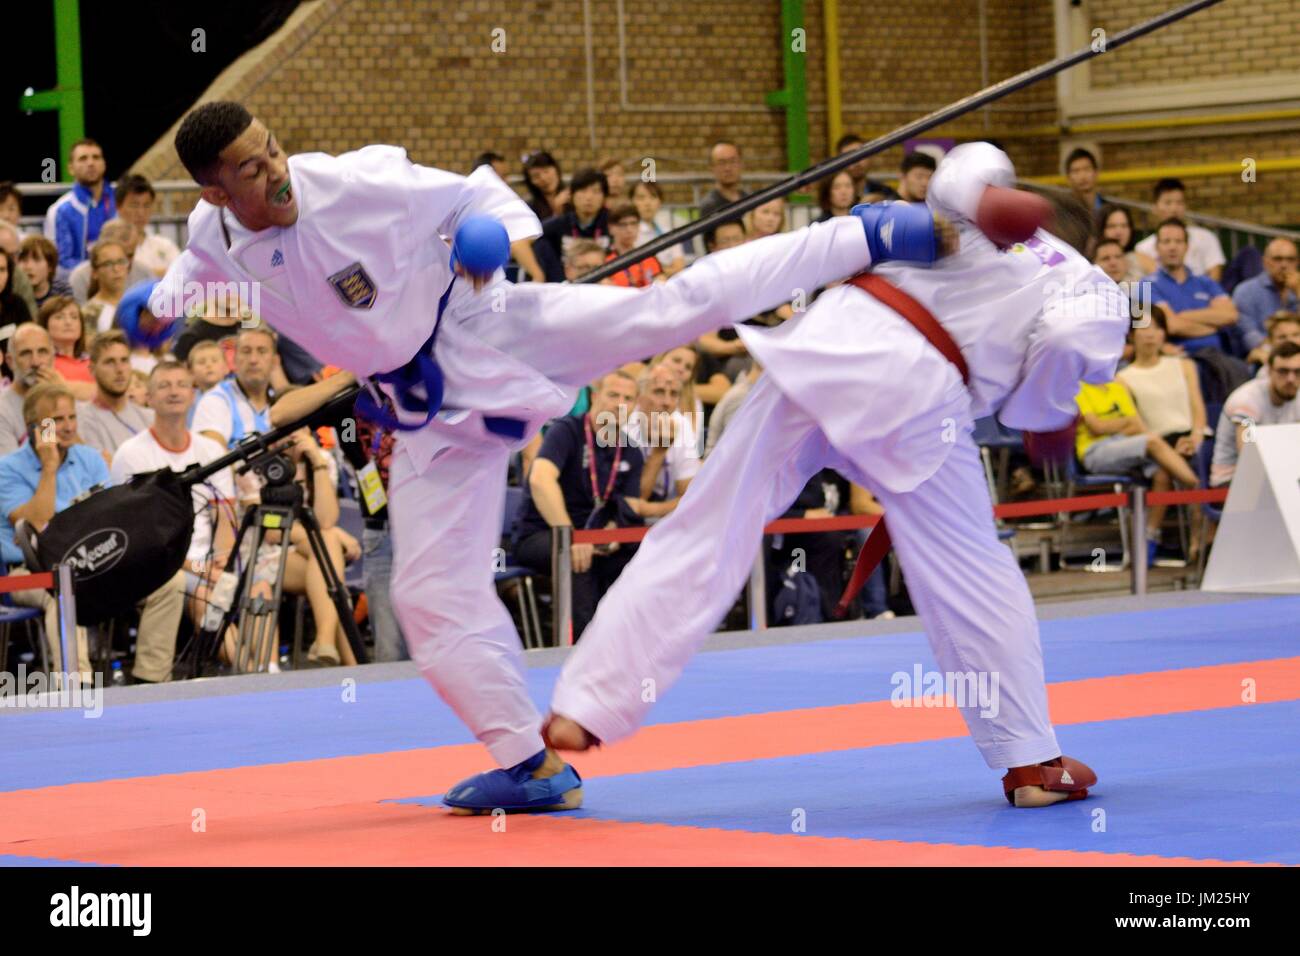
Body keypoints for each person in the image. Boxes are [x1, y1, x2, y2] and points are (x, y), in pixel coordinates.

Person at [147, 100, 896, 815]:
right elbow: (190, 275)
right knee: (429, 596)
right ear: (215, 191)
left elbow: (475, 198)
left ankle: (862, 238)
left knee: (663, 311)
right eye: (250, 168)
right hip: (427, 412)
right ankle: (531, 765)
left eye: (272, 146)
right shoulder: (214, 238)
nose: (275, 169)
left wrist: (489, 236)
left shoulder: (353, 181)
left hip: (485, 325)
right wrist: (158, 308)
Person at [545, 143, 1129, 810]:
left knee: (708, 524)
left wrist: (981, 193)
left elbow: (962, 167)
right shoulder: (1087, 280)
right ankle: (1030, 764)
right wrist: (1044, 411)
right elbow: (1065, 346)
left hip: (825, 345)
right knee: (976, 582)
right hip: (918, 398)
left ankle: (589, 702)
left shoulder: (959, 214)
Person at [0, 382, 186, 681]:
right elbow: (37, 523)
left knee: (169, 582)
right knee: (64, 588)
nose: (68, 426)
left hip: (96, 561)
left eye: (71, 417)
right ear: (33, 426)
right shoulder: (7, 468)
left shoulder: (89, 459)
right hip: (27, 572)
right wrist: (48, 468)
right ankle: (79, 685)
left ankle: (150, 679)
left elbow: (112, 517)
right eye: (56, 420)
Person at [1209, 341, 1300, 487]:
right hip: (1232, 480)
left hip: (1280, 476)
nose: (1291, 379)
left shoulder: (1298, 397)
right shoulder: (1247, 400)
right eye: (1283, 371)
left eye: (1297, 372)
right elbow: (1249, 458)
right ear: (1269, 371)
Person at [1143, 219, 1237, 355]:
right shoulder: (1144, 286)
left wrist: (1182, 315)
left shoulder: (1205, 282)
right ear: (1157, 248)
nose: (1172, 247)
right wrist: (1215, 326)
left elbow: (1231, 315)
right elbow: (1173, 326)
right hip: (1179, 357)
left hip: (1218, 358)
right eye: (1166, 241)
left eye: (1178, 241)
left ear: (1187, 247)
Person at [1133, 178, 1225, 282]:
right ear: (1155, 207)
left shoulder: (1206, 237)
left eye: (1179, 202)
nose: (1174, 209)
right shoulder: (1142, 248)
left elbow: (1215, 277)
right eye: (1168, 203)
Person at [45, 139, 116, 270]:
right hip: (79, 281)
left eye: (96, 157)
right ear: (71, 168)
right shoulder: (60, 210)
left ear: (104, 163)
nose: (91, 163)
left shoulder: (119, 200)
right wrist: (98, 270)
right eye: (83, 158)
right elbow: (60, 261)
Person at [35, 296, 95, 401]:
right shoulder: (41, 362)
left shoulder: (94, 361)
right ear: (45, 326)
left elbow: (111, 393)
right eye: (59, 317)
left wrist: (63, 385)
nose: (68, 322)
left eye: (74, 317)